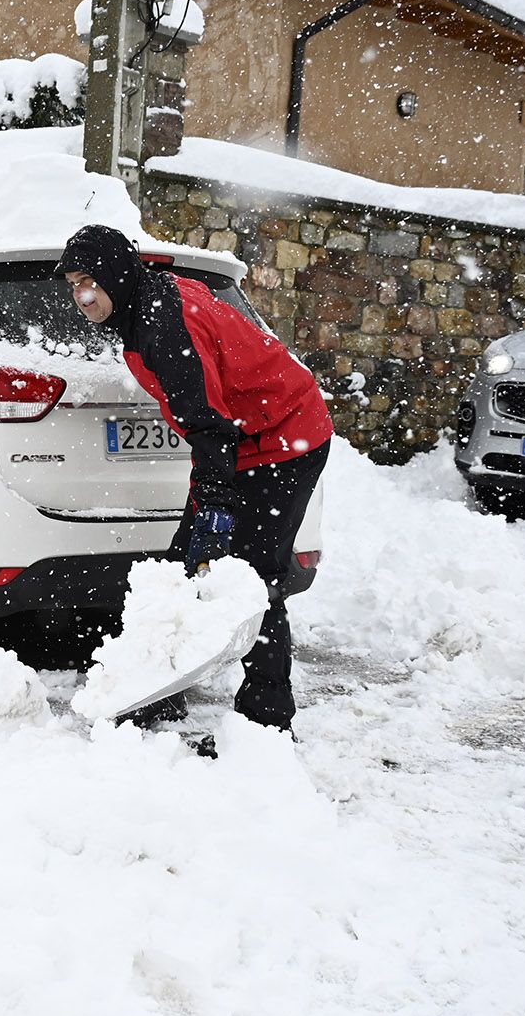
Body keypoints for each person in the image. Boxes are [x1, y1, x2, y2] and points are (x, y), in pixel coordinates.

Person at [56, 223, 333, 737]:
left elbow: (209, 426)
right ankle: (155, 693)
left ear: (116, 274)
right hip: (243, 440)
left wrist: (214, 503)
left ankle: (268, 724)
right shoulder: (143, 303)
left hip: (286, 436)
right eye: (73, 283)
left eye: (88, 281)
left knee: (255, 580)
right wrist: (211, 505)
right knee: (182, 567)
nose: (81, 295)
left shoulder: (161, 324)